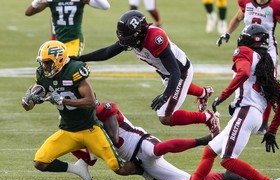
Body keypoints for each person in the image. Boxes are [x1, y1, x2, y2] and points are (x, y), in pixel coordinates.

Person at [164, 24, 280, 180]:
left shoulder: (245, 52)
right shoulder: (266, 61)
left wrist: (223, 95)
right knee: (210, 151)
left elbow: (244, 72)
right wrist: (272, 129)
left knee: (228, 160)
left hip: (246, 112)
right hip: (250, 114)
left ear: (248, 39)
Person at [71, 10, 220, 138]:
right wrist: (80, 59)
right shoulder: (134, 38)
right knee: (178, 89)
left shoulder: (155, 39)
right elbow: (108, 52)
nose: (124, 41)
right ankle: (203, 93)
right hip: (167, 72)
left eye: (128, 37)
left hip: (180, 72)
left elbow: (175, 72)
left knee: (165, 117)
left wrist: (165, 95)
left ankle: (208, 118)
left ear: (139, 34)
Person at [21, 40, 143, 180]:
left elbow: (91, 102)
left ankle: (145, 171)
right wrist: (28, 101)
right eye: (43, 63)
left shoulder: (74, 70)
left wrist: (64, 101)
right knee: (40, 162)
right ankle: (76, 169)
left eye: (47, 62)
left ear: (59, 60)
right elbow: (29, 106)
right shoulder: (43, 75)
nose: (44, 66)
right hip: (68, 131)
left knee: (120, 169)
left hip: (90, 129)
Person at [72, 101, 254, 180]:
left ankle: (205, 140)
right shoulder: (84, 127)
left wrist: (94, 133)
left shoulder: (104, 110)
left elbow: (113, 136)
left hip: (139, 142)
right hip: (136, 160)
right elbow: (93, 157)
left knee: (156, 149)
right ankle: (228, 176)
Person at [216, 0, 280, 135]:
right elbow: (237, 18)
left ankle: (264, 123)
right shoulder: (246, 2)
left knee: (268, 83)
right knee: (244, 77)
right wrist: (227, 33)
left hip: (268, 50)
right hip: (247, 47)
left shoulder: (276, 6)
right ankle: (241, 108)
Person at [25, 0, 111, 56]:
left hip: (74, 40)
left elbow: (105, 6)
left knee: (69, 67)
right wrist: (37, 1)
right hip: (58, 41)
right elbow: (28, 12)